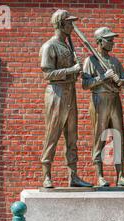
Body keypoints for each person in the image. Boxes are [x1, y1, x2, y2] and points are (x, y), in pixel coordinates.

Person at [39, 9, 92, 188]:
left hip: (70, 92)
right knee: (52, 135)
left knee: (72, 136)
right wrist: (72, 70)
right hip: (56, 94)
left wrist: (77, 72)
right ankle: (47, 175)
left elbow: (71, 73)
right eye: (69, 23)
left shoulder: (67, 46)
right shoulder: (50, 46)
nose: (72, 26)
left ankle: (73, 175)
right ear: (61, 24)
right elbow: (47, 74)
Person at [82, 27, 124, 187]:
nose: (113, 42)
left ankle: (121, 176)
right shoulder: (90, 61)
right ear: (99, 41)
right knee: (100, 138)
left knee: (119, 137)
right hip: (99, 99)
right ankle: (100, 176)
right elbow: (85, 84)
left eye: (113, 39)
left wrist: (120, 81)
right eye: (109, 39)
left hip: (115, 100)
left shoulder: (114, 61)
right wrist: (102, 77)